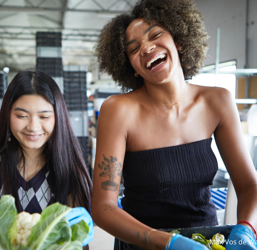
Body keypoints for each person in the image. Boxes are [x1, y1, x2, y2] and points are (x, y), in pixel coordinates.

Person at [91, 0, 257, 249]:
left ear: (178, 40)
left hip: (206, 241)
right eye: (133, 49)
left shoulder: (217, 101)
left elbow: (248, 185)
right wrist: (166, 242)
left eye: (155, 35)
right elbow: (103, 207)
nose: (146, 48)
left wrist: (246, 228)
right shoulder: (119, 110)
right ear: (132, 68)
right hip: (142, 243)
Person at [0, 71, 93, 250]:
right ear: (7, 114)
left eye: (44, 116)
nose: (33, 127)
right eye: (21, 116)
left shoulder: (71, 172)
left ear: (58, 118)